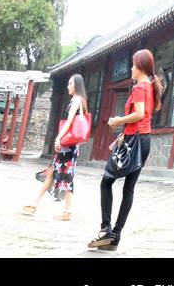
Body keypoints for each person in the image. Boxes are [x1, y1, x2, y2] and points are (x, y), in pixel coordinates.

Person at [89, 49, 161, 252]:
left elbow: (138, 115)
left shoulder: (140, 88)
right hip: (142, 140)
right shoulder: (150, 87)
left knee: (106, 181)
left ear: (140, 67)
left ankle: (106, 229)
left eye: (133, 64)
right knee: (128, 188)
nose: (131, 68)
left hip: (134, 141)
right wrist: (121, 137)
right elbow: (144, 119)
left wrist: (118, 120)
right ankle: (115, 237)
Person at [24, 74, 90, 220]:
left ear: (77, 85)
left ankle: (67, 211)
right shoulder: (80, 100)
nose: (68, 86)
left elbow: (70, 121)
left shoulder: (77, 100)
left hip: (68, 146)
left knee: (66, 176)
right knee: (52, 173)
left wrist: (59, 138)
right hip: (71, 145)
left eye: (71, 83)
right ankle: (34, 204)